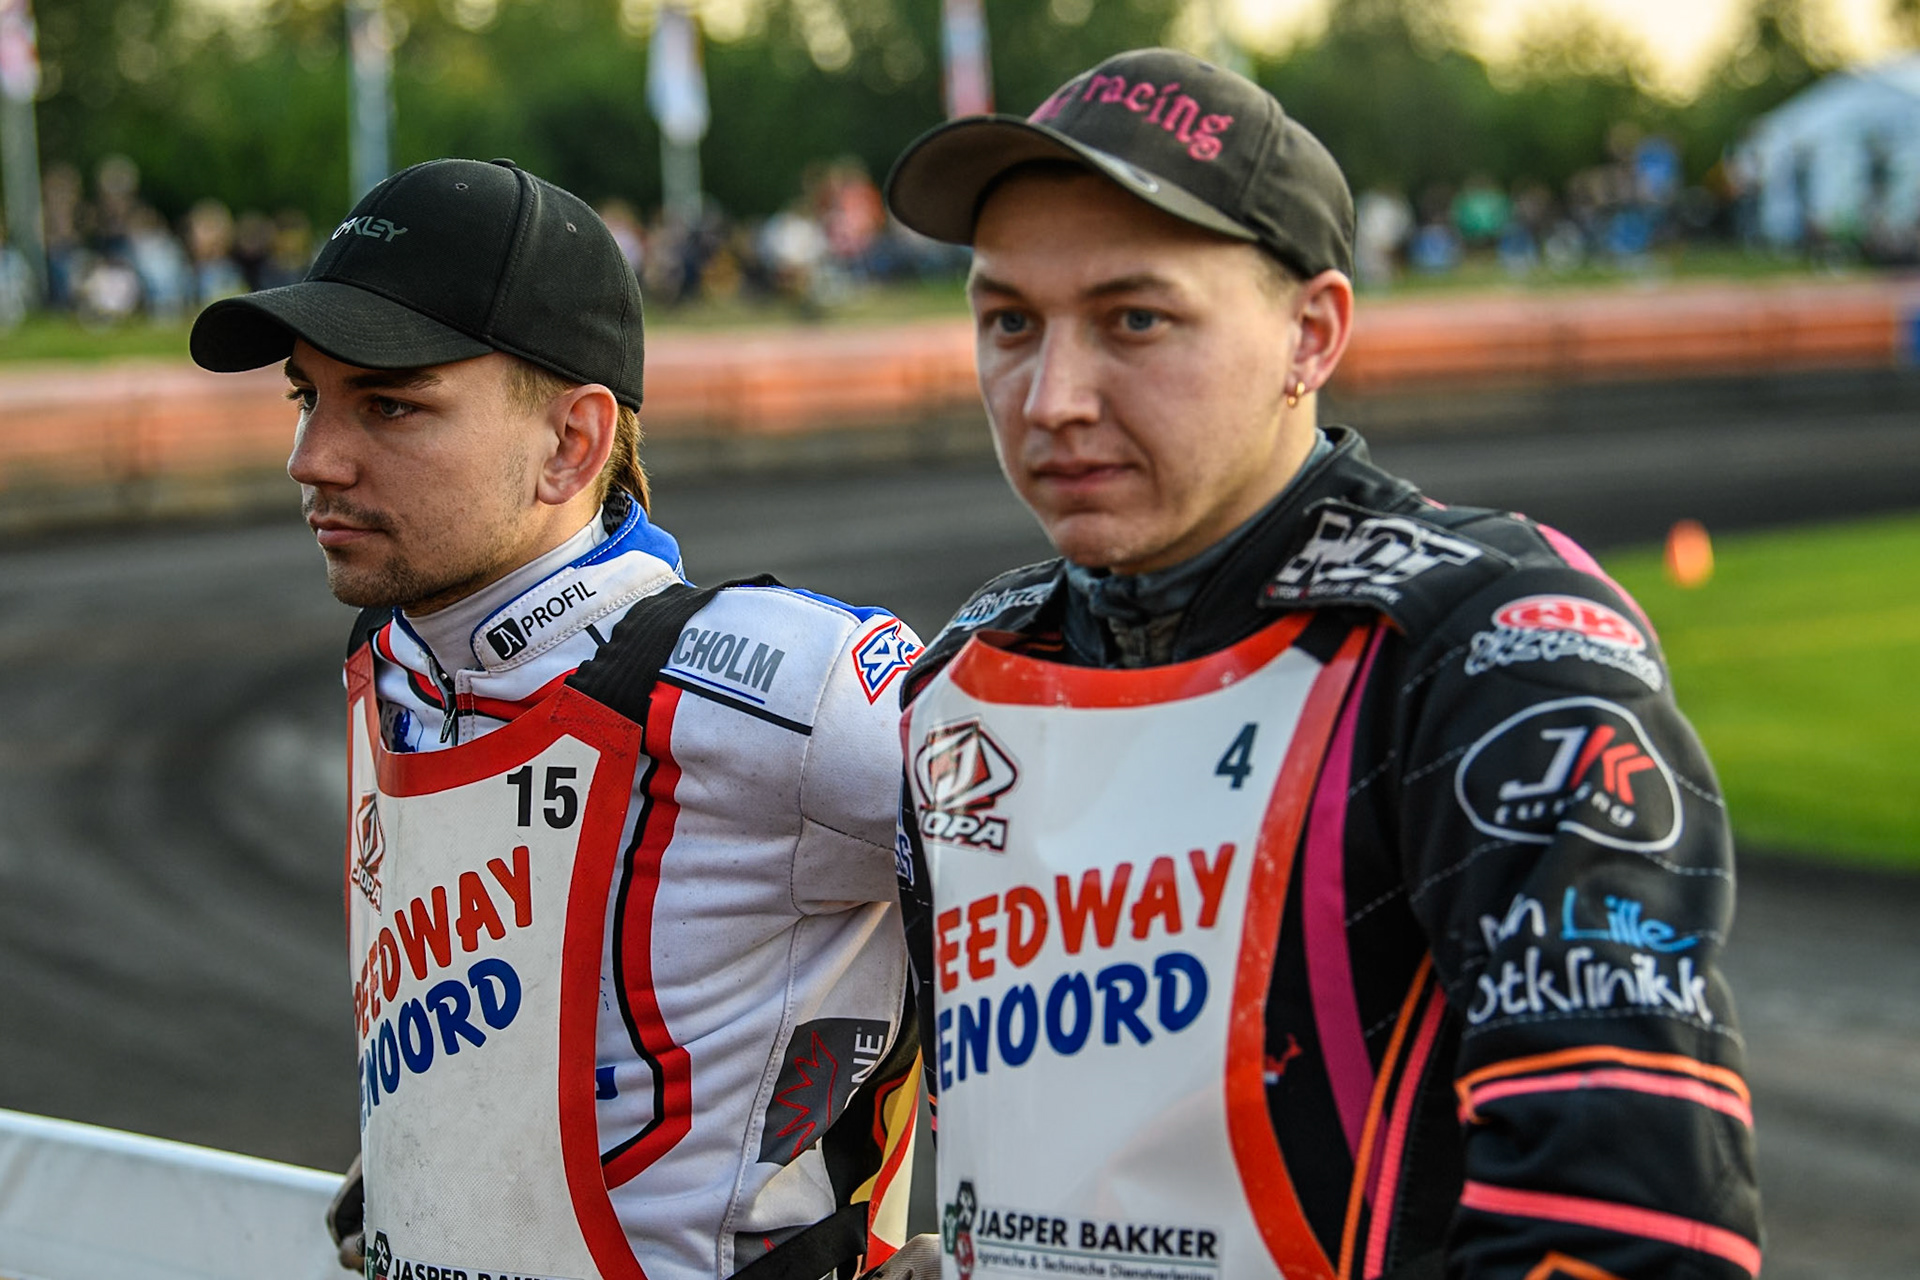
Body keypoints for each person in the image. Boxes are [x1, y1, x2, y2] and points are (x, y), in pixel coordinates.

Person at [883, 48, 1761, 1280]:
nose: (1053, 397)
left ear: (1314, 331)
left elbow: (1629, 1222)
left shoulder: (1489, 645)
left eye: (1136, 318)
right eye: (1010, 322)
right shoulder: (969, 669)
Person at [189, 158, 925, 1280]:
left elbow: (1130, 910)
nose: (313, 460)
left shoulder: (789, 682)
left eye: (389, 403)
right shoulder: (392, 659)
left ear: (573, 443)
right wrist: (454, 1155)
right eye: (308, 395)